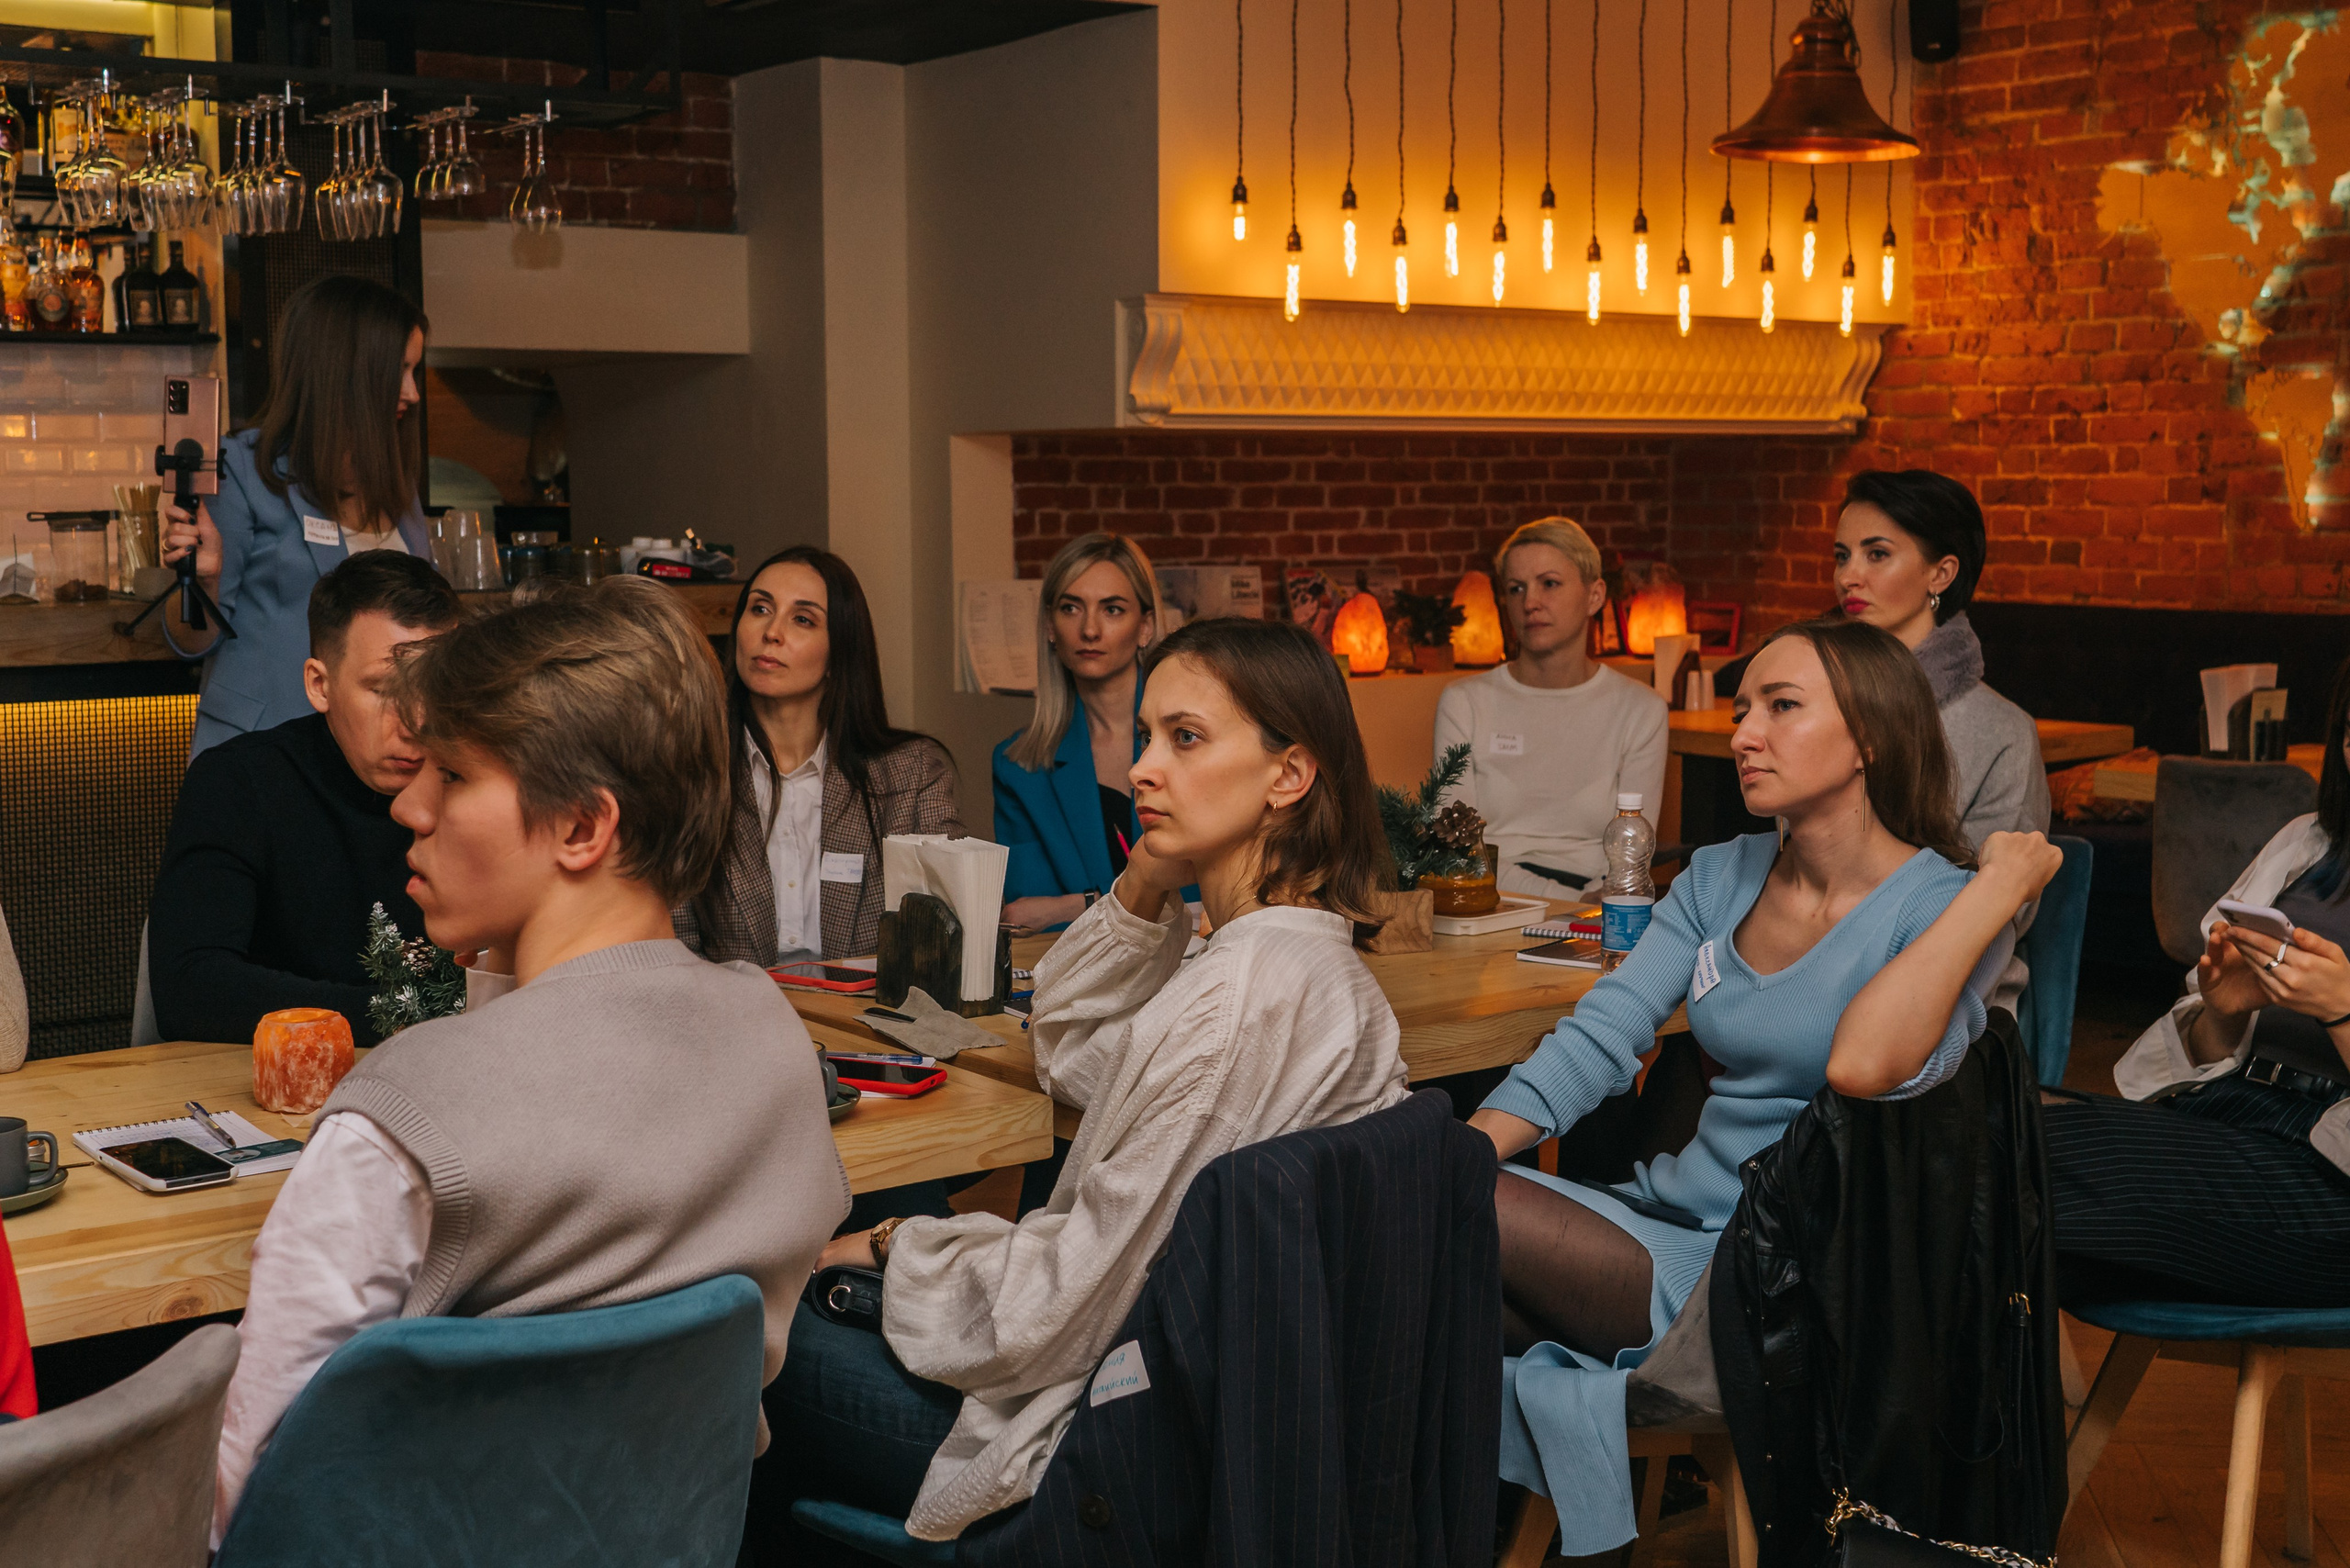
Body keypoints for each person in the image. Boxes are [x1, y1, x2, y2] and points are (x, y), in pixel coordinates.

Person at [754, 617, 1412, 1548]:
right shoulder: (1288, 964)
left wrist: (897, 1247)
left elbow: (1051, 1318)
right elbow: (1066, 1052)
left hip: (1101, 1444)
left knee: (741, 1326)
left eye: (1185, 738)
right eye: (1147, 737)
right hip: (1193, 1391)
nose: (1142, 768)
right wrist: (1143, 880)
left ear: (1289, 775)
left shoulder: (1236, 1005)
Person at [211, 578, 847, 1541]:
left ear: (584, 826)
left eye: (453, 775)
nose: (408, 807)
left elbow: (246, 1492)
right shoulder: (771, 1038)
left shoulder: (404, 1112)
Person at [1465, 618, 2058, 1556]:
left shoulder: (1943, 909)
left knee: (1429, 1208)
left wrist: (1997, 894)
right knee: (1432, 1227)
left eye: (1781, 707)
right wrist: (1464, 1147)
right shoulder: (1719, 875)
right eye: (1744, 710)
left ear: (1869, 738)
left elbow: (1864, 1064)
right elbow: (1604, 1030)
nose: (1744, 734)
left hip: (1782, 1283)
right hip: (1660, 1220)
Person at [2045, 655, 2350, 1308]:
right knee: (1992, 1129)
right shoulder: (2311, 841)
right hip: (2236, 1112)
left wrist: (2343, 1013)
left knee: (2012, 1161)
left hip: (2329, 1176)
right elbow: (2208, 1048)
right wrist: (2224, 1010)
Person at [150, 552, 461, 1050]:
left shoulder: (474, 787)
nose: (415, 721)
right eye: (383, 690)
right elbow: (190, 989)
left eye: (436, 689)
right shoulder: (240, 782)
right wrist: (407, 1018)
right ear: (320, 685)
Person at [162, 275, 433, 757]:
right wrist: (202, 583)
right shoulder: (243, 469)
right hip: (267, 755)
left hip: (384, 757)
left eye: (415, 370)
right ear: (347, 370)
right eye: (400, 370)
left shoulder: (396, 480)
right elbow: (191, 641)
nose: (413, 393)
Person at [676, 547, 961, 964]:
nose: (772, 632)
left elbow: (949, 934)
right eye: (760, 609)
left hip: (870, 1007)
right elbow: (670, 949)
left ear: (838, 653)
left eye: (803, 619)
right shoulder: (686, 772)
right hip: (726, 1004)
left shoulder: (912, 773)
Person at [1434, 518, 1668, 896]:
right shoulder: (1465, 702)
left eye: (1549, 583)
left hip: (1595, 904)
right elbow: (1456, 846)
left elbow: (1631, 855)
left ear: (1595, 596)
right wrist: (1565, 900)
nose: (1530, 603)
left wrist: (1592, 904)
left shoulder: (1641, 709)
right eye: (1516, 588)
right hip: (1488, 898)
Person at [1832, 469, 2049, 852]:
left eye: (1877, 554)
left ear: (1942, 574)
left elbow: (2003, 886)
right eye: (1842, 556)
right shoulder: (1812, 702)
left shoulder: (2003, 732)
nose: (1849, 576)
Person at [995, 532, 1159, 931]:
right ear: (1050, 626)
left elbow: (1208, 894)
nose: (1089, 630)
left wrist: (1081, 903)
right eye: (1071, 608)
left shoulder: (1194, 741)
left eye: (1112, 610)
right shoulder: (1020, 766)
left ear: (1145, 627)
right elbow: (1031, 916)